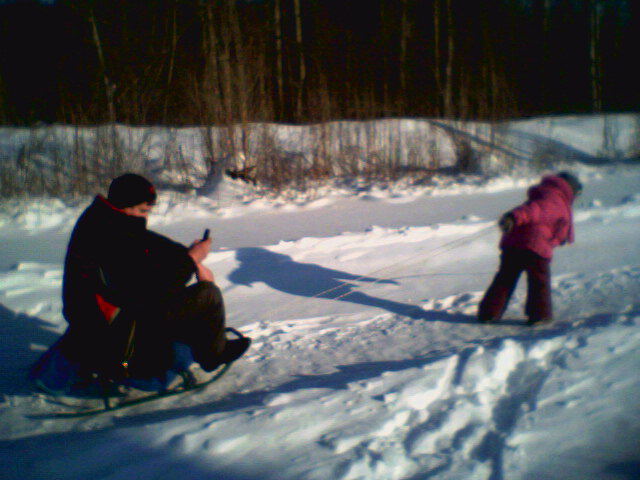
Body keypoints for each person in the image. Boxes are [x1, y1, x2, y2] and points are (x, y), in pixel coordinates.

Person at [59, 173, 250, 382]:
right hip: (116, 334)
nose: (145, 217)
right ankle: (213, 355)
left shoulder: (103, 219)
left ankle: (194, 339)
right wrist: (191, 260)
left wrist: (186, 254)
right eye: (142, 210)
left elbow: (146, 242)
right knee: (207, 294)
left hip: (108, 318)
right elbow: (147, 290)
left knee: (178, 294)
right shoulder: (111, 235)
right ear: (125, 205)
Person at [477, 171, 582, 325]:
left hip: (513, 245)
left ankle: (489, 313)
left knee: (505, 278)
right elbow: (532, 210)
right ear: (569, 189)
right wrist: (512, 217)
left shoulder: (546, 195)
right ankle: (540, 315)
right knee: (539, 282)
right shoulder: (553, 199)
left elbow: (556, 225)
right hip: (535, 247)